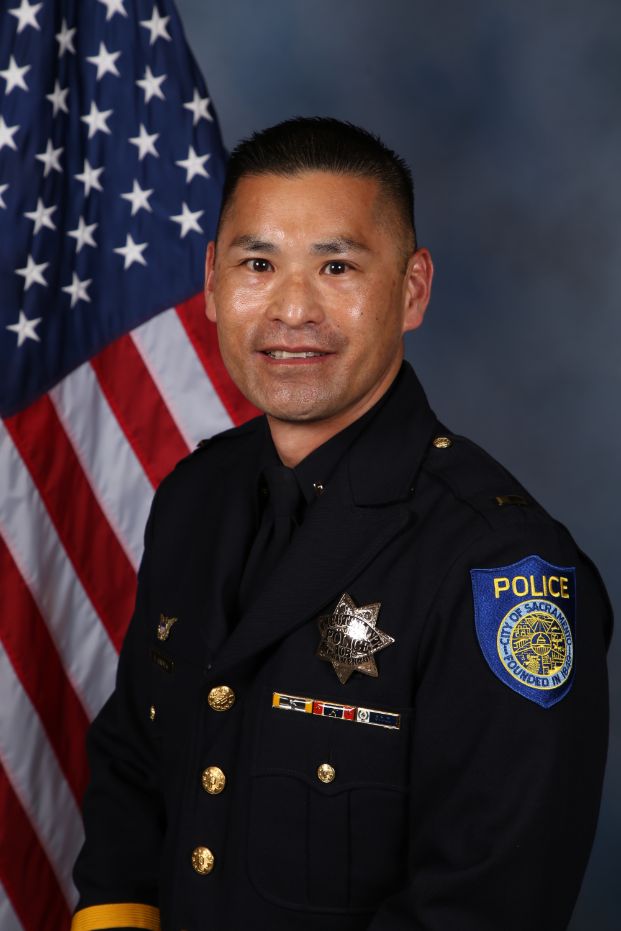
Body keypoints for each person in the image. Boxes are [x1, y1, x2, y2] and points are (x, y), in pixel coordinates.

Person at [71, 118, 612, 931]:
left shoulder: (500, 567)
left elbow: (485, 903)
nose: (292, 308)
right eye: (258, 264)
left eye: (336, 265)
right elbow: (136, 760)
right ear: (213, 283)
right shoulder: (194, 498)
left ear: (412, 288)